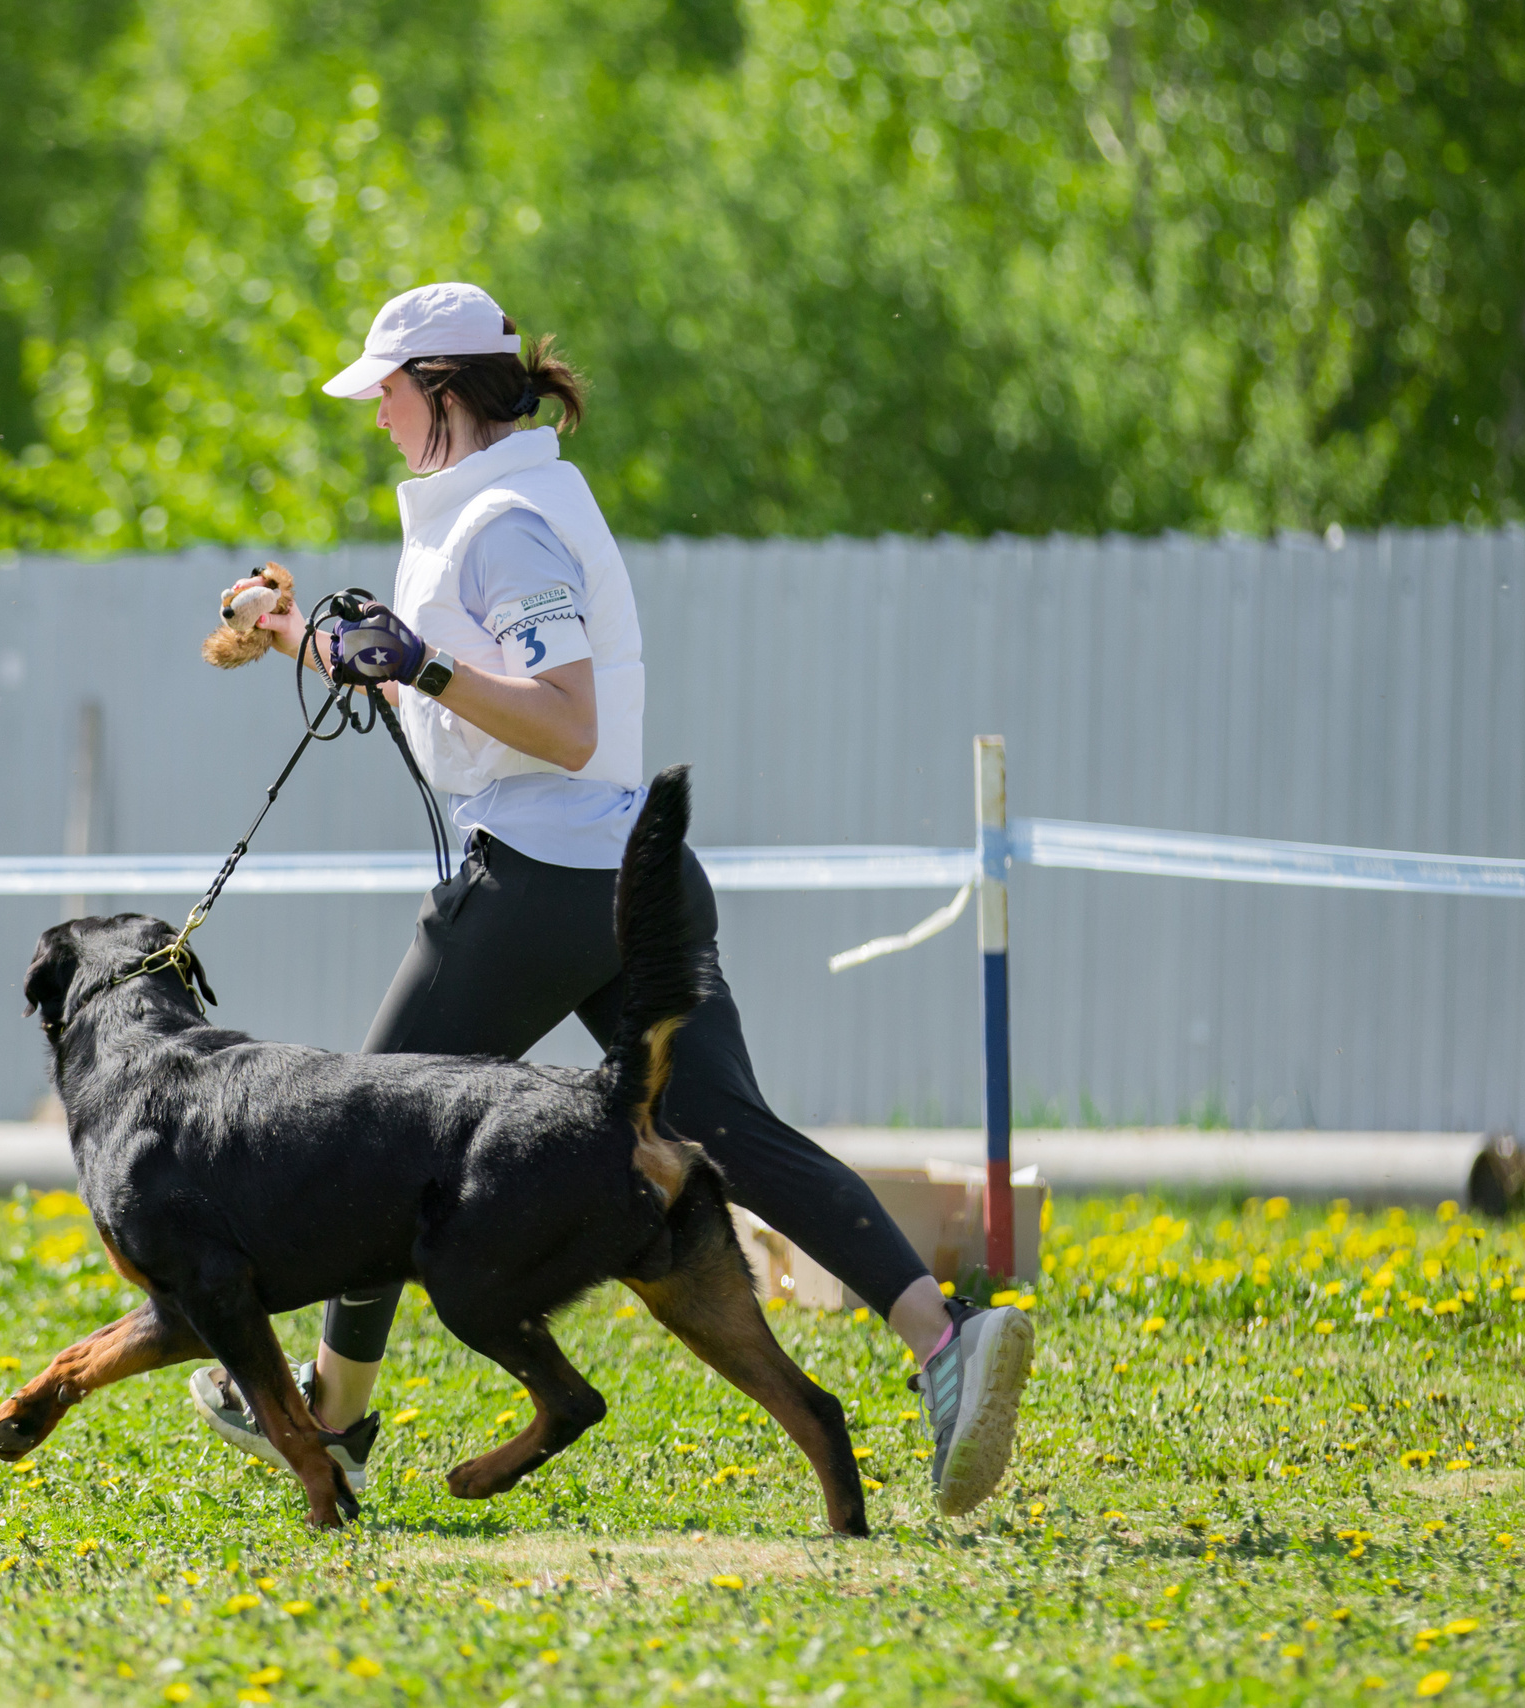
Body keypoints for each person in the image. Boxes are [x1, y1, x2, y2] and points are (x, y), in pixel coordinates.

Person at [187, 281, 1032, 1518]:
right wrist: (299, 639)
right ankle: (941, 1339)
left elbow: (566, 724)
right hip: (627, 877)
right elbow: (437, 686)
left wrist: (418, 659)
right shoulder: (490, 506)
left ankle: (336, 1420)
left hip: (537, 883)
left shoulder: (506, 524)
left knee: (359, 1143)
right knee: (729, 1135)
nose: (372, 418)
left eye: (383, 393)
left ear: (437, 391)